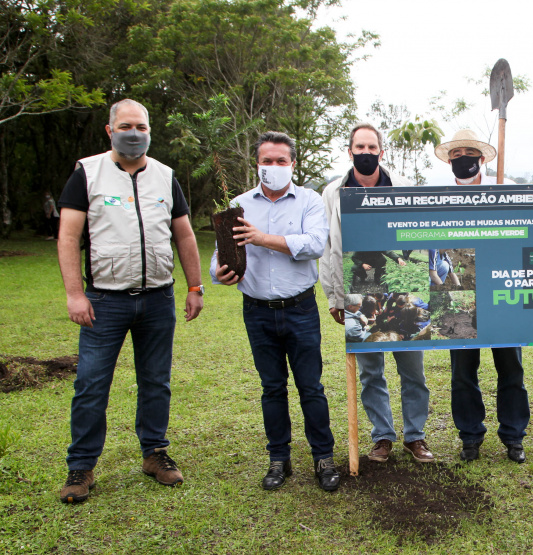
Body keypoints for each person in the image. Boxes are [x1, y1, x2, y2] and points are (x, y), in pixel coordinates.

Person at [56, 99, 203, 503]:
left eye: (141, 126)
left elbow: (185, 234)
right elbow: (69, 237)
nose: (133, 132)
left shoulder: (164, 175)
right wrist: (74, 294)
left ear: (150, 131)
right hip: (104, 301)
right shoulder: (87, 173)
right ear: (109, 130)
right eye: (125, 125)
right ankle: (81, 466)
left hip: (157, 300)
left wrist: (194, 286)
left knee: (156, 382)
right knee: (91, 384)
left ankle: (155, 453)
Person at [210, 131, 339, 492]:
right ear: (257, 164)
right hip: (257, 311)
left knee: (311, 387)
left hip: (300, 309)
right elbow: (218, 260)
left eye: (281, 160)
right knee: (272, 388)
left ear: (292, 164)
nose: (274, 166)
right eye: (267, 160)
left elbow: (314, 244)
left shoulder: (310, 201)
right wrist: (218, 273)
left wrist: (261, 238)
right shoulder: (237, 205)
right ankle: (278, 459)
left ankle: (323, 458)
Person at [320, 122, 433, 464]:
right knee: (371, 371)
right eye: (360, 147)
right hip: (360, 291)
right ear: (350, 151)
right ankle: (382, 436)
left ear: (381, 152)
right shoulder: (332, 193)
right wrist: (334, 296)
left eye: (372, 148)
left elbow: (417, 233)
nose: (366, 153)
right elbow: (328, 247)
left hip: (402, 293)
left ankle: (415, 436)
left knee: (412, 369)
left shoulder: (403, 189)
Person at [433, 129, 529, 464]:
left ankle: (514, 437)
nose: (462, 160)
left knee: (511, 369)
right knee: (462, 372)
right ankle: (470, 437)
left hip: (503, 293)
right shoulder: (439, 198)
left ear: (483, 158)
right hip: (459, 294)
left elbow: (526, 232)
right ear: (449, 161)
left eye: (468, 153)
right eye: (455, 155)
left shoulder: (507, 189)